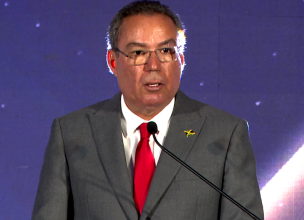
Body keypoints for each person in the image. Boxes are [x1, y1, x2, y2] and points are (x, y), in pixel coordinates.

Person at [32, 1, 264, 219]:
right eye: (138, 53)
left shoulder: (224, 134)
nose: (153, 66)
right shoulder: (72, 133)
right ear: (113, 62)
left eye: (165, 51)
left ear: (181, 60)